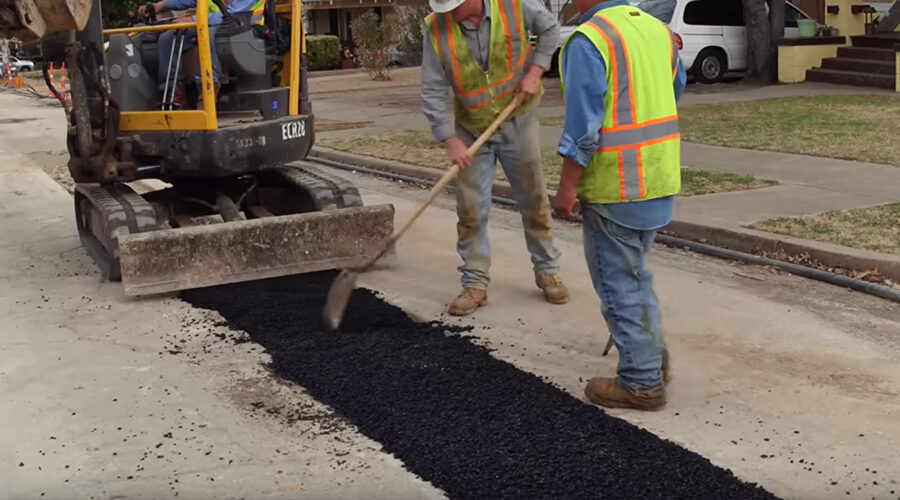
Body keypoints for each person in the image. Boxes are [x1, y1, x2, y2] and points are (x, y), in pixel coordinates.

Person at [552, 0, 686, 411]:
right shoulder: (656, 31)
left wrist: (566, 189)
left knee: (620, 285)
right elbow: (675, 90)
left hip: (618, 186)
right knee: (635, 276)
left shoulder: (588, 41)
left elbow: (583, 129)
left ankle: (641, 382)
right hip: (659, 178)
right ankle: (650, 358)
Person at [422, 0, 569, 316]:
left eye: (453, 6)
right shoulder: (436, 26)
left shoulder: (513, 5)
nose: (448, 13)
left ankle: (547, 270)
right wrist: (449, 138)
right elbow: (433, 87)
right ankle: (475, 282)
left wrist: (535, 70)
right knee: (471, 207)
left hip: (518, 119)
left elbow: (550, 29)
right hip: (471, 128)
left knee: (534, 200)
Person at [139, 0, 265, 108]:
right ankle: (175, 97)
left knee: (210, 35)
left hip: (248, 29)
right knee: (167, 39)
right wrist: (161, 5)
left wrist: (193, 19)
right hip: (218, 24)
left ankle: (206, 98)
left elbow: (232, 13)